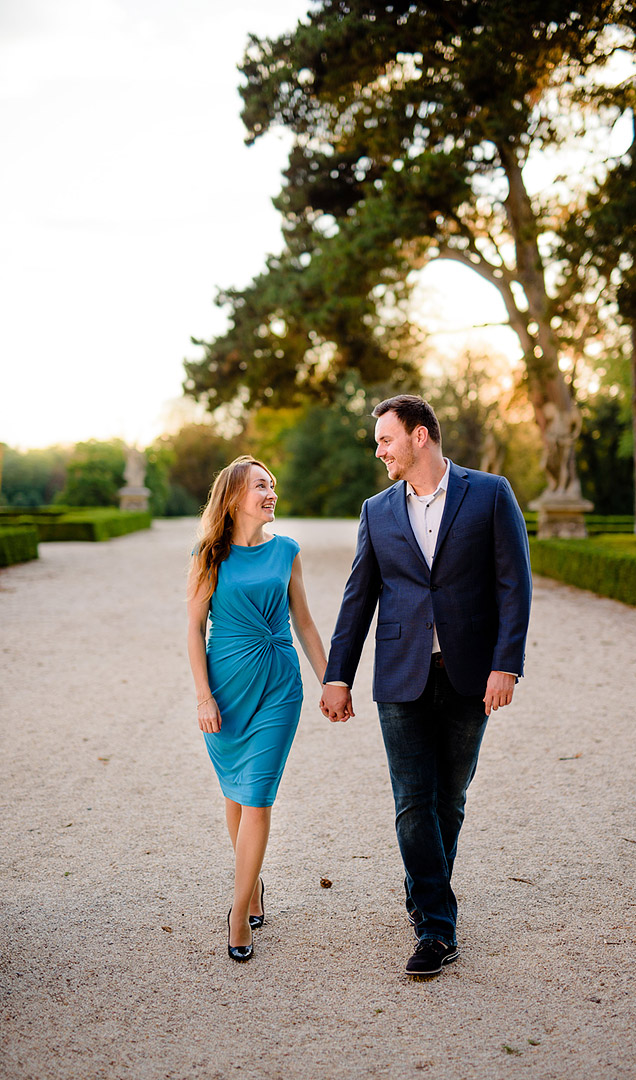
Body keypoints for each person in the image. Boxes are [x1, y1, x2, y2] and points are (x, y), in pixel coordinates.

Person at [320, 396, 532, 978]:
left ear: (420, 436)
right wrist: (338, 675)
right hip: (399, 673)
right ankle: (438, 927)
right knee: (413, 800)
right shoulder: (376, 510)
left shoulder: (490, 494)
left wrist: (506, 664)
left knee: (448, 799)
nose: (379, 451)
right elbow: (358, 597)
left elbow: (514, 585)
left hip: (470, 672)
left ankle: (423, 894)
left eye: (385, 440)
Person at [187, 456, 340, 963]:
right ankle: (251, 886)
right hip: (226, 689)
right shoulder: (209, 554)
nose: (271, 493)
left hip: (278, 686)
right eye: (260, 486)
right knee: (235, 793)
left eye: (272, 485)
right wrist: (204, 696)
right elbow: (193, 630)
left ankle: (237, 914)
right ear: (233, 497)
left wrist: (331, 682)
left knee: (255, 796)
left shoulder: (287, 551)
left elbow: (305, 623)